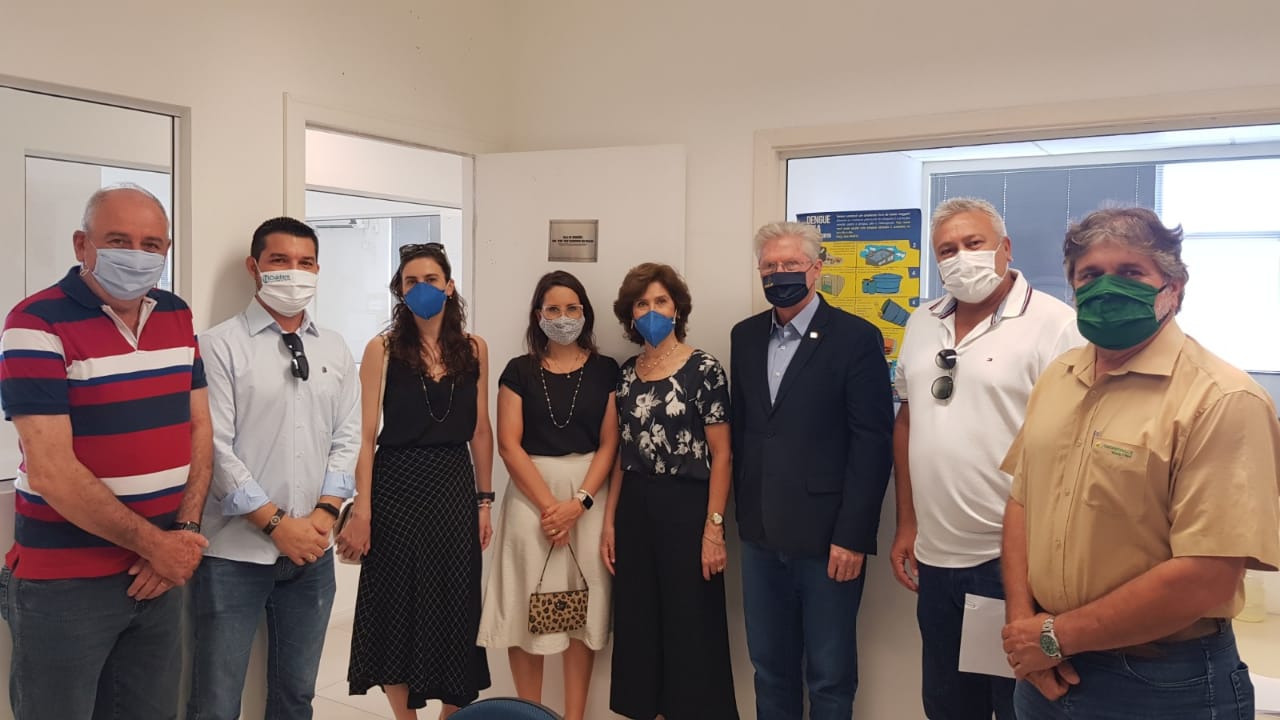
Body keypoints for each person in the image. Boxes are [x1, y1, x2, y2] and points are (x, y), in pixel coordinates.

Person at [1000, 207, 1280, 719]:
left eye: (1130, 272)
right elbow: (1022, 501)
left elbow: (1208, 575)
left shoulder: (1221, 399)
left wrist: (1055, 636)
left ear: (1174, 288)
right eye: (1090, 274)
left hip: (1162, 682)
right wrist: (1025, 628)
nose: (1107, 287)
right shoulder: (1059, 376)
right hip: (1043, 667)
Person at [0, 185, 211, 719]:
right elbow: (51, 471)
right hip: (66, 583)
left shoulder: (176, 313)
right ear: (82, 245)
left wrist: (183, 534)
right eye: (118, 240)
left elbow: (199, 428)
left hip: (159, 577)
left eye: (151, 244)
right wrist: (157, 546)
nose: (136, 255)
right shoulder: (34, 322)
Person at [888, 198, 1082, 720]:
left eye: (973, 243)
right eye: (947, 250)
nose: (960, 257)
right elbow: (907, 421)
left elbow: (1073, 444)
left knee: (1014, 705)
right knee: (947, 705)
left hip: (1012, 565)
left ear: (1005, 248)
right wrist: (907, 523)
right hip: (935, 557)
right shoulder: (922, 321)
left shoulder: (1054, 324)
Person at [188, 217, 360, 719]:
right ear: (254, 267)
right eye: (280, 261)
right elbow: (215, 449)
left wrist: (325, 514)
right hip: (233, 555)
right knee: (216, 702)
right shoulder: (218, 345)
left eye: (305, 262)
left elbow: (348, 436)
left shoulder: (334, 346)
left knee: (296, 696)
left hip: (312, 553)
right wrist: (277, 524)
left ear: (318, 270)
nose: (294, 272)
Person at [730, 222, 894, 720]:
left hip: (828, 542)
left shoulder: (856, 338)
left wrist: (853, 536)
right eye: (769, 266)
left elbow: (872, 444)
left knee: (829, 676)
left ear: (816, 269)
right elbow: (746, 430)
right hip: (760, 536)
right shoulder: (745, 336)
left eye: (791, 265)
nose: (779, 274)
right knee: (769, 670)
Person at [338, 242, 494, 719]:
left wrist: (485, 501)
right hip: (397, 487)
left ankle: (450, 714)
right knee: (395, 609)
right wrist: (362, 509)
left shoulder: (474, 348)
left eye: (431, 279)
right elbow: (365, 435)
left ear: (449, 286)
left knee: (456, 607)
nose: (422, 288)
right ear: (400, 291)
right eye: (411, 281)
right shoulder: (382, 349)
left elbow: (480, 430)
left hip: (453, 486)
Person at [477, 270, 619, 720]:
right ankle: (531, 714)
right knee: (526, 611)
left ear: (585, 313)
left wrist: (578, 503)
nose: (563, 317)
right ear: (538, 315)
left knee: (581, 611)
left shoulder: (607, 370)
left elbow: (610, 443)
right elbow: (508, 444)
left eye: (572, 308)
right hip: (530, 499)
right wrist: (550, 508)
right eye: (553, 309)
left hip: (588, 498)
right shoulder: (518, 370)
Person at [605, 262, 738, 720]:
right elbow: (621, 453)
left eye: (660, 301)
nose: (652, 311)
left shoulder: (705, 369)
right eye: (642, 303)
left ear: (677, 308)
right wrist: (609, 522)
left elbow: (723, 454)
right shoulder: (626, 374)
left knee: (690, 624)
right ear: (630, 314)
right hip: (635, 507)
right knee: (639, 623)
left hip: (687, 507)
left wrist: (714, 528)